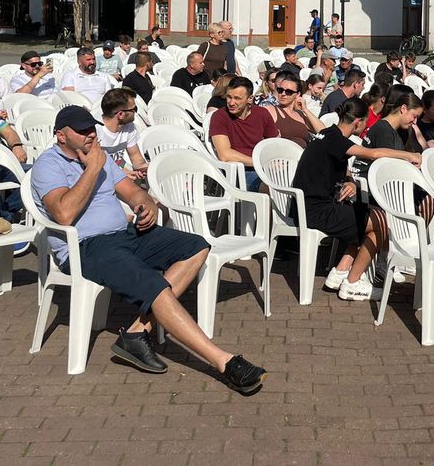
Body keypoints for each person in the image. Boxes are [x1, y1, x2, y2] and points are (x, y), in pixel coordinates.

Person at [31, 105, 265, 390]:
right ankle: (223, 361)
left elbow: (133, 193)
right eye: (81, 131)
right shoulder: (49, 165)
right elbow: (63, 214)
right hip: (84, 247)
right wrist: (92, 168)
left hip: (124, 234)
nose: (90, 135)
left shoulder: (99, 157)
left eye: (91, 128)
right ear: (61, 136)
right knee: (153, 284)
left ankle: (137, 331)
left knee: (195, 246)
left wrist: (147, 205)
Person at [295, 97, 420, 301]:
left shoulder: (328, 134)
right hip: (316, 211)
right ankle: (352, 283)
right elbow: (374, 153)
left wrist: (351, 181)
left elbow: (342, 164)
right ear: (357, 122)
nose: (365, 129)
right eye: (365, 124)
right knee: (382, 221)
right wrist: (410, 156)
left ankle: (341, 271)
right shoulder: (336, 140)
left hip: (310, 206)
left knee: (368, 214)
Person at [209, 77, 278, 191]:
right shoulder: (219, 117)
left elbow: (274, 143)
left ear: (250, 99)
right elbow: (225, 155)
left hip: (265, 167)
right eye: (229, 97)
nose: (231, 103)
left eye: (237, 98)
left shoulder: (262, 113)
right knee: (271, 188)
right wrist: (259, 163)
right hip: (240, 172)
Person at [261, 74, 323, 149]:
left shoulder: (300, 114)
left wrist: (305, 109)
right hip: (285, 156)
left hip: (305, 154)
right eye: (280, 90)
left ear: (297, 95)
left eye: (288, 92)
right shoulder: (270, 110)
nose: (283, 94)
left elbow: (323, 131)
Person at [98, 88, 148, 180]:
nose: (136, 112)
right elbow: (91, 166)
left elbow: (135, 156)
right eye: (134, 109)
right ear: (120, 114)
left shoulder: (129, 127)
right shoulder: (95, 130)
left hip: (119, 173)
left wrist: (143, 169)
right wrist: (120, 173)